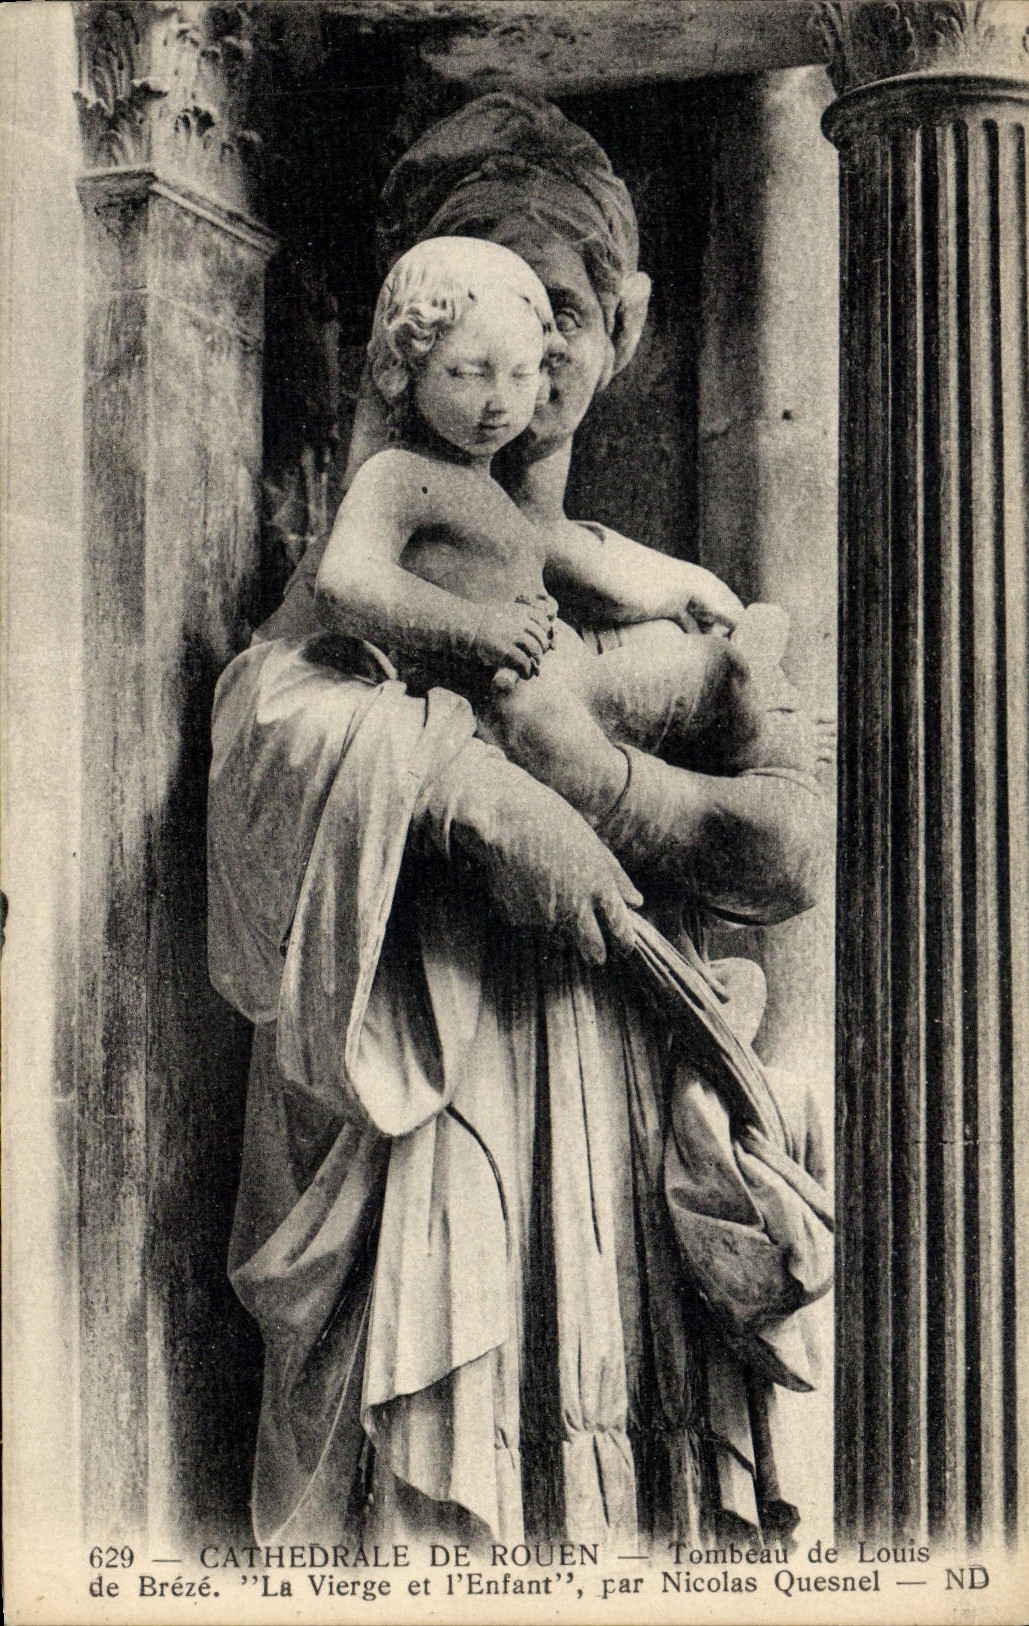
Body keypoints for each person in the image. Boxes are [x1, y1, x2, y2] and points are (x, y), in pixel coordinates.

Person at [209, 91, 830, 1554]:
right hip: (425, 1067)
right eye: (482, 306)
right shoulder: (378, 530)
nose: (527, 356)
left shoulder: (636, 581)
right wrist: (478, 796)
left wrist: (605, 790)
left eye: (559, 307)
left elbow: (788, 843)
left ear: (623, 327)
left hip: (614, 1059)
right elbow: (266, 722)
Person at [318, 235, 786, 834]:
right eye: (468, 373)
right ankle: (717, 831)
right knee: (609, 790)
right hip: (510, 704)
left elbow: (568, 560)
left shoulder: (490, 491)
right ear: (399, 367)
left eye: (519, 376)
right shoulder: (398, 475)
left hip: (573, 679)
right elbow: (342, 582)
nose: (498, 402)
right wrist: (477, 630)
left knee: (723, 673)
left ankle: (756, 777)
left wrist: (679, 592)